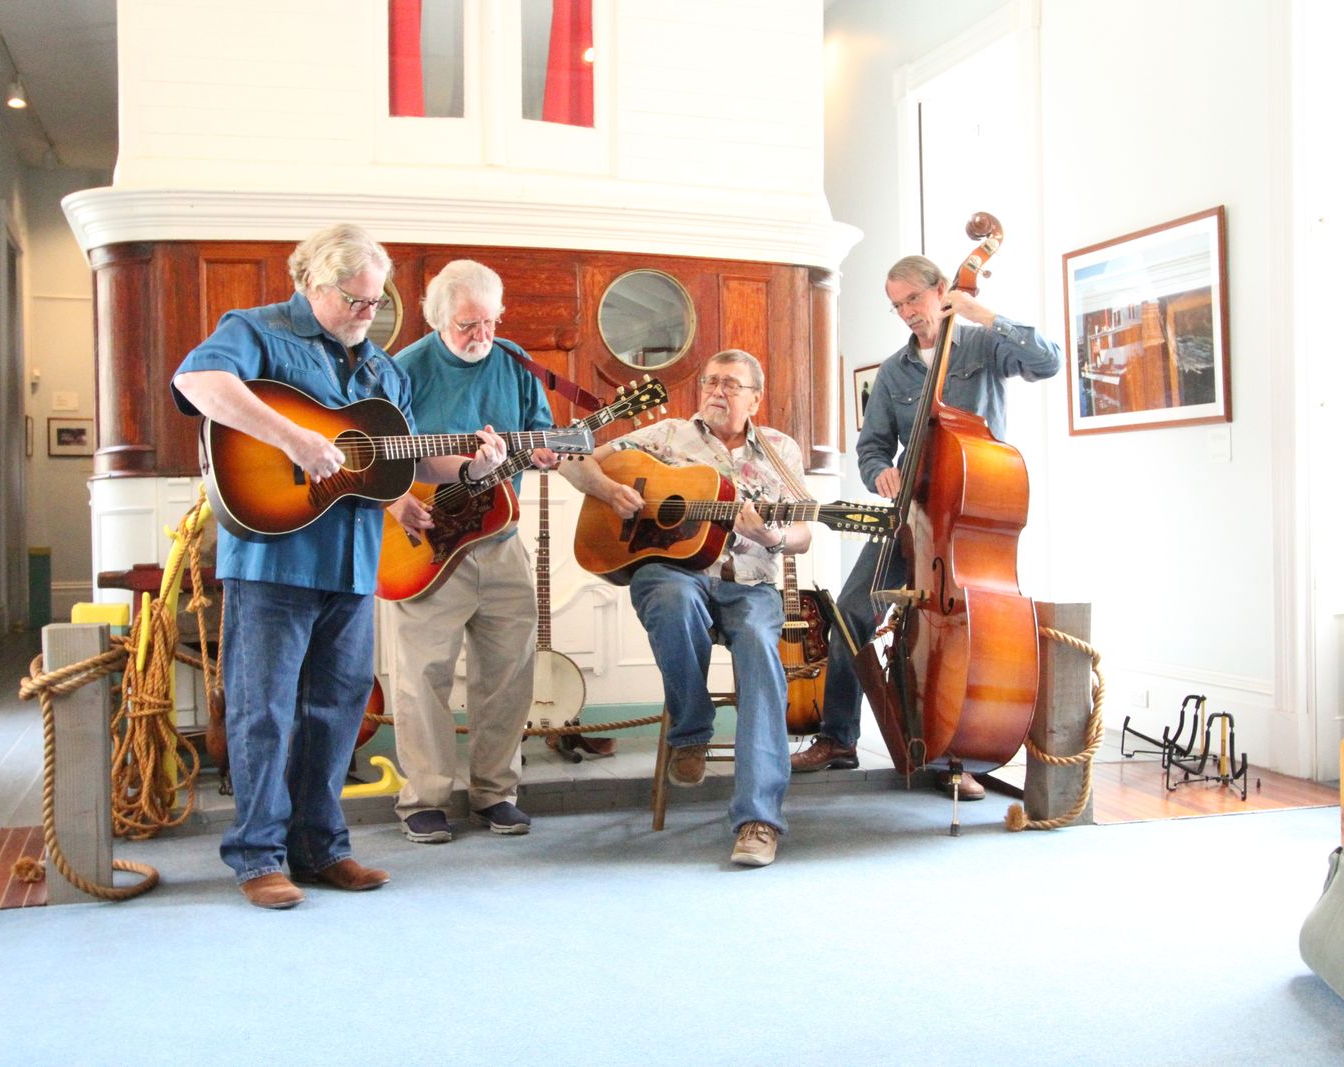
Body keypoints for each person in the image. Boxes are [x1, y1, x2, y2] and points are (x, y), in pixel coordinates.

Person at [171, 225, 506, 909]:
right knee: (263, 711)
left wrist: (476, 467)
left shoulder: (382, 370)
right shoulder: (257, 331)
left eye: (376, 302)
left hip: (352, 564)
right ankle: (258, 856)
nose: (367, 314)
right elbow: (196, 380)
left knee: (337, 709)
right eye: (355, 301)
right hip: (273, 558)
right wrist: (292, 437)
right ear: (312, 284)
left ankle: (321, 847)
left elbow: (408, 457)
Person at [791, 254, 1061, 799]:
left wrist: (984, 314)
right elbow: (871, 448)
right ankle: (839, 737)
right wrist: (880, 472)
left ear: (941, 289)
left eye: (912, 299)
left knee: (965, 631)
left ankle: (958, 747)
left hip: (966, 521)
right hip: (908, 516)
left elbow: (1048, 362)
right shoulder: (895, 371)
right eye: (897, 306)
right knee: (851, 611)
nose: (907, 313)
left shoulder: (982, 346)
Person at [562, 349, 811, 867]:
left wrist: (773, 536)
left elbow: (804, 532)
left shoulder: (780, 448)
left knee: (761, 654)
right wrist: (610, 490)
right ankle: (692, 729)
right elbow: (572, 457)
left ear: (755, 399)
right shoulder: (667, 435)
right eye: (711, 382)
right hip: (681, 576)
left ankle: (759, 820)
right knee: (667, 593)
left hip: (750, 586)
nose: (717, 391)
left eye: (731, 384)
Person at [385, 260, 559, 845]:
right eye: (467, 325)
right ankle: (424, 799)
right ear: (438, 319)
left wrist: (543, 454)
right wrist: (399, 502)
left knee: (509, 672)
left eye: (490, 321)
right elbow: (378, 457)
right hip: (425, 541)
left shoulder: (514, 361)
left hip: (500, 540)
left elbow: (540, 433)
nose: (482, 335)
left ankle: (496, 793)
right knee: (423, 676)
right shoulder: (404, 370)